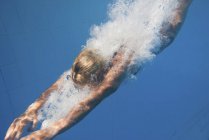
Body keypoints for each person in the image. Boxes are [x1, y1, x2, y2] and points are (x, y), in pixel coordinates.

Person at [5, 0, 192, 139]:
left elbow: (87, 104)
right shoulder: (93, 57)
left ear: (98, 75)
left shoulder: (113, 77)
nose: (80, 89)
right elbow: (63, 80)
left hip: (162, 32)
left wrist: (49, 131)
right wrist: (32, 109)